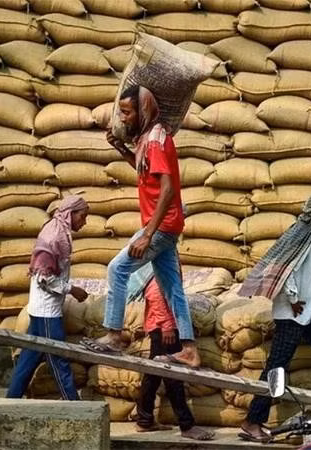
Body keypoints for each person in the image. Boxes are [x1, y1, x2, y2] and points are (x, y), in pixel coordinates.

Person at [82, 84, 200, 368]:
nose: (122, 118)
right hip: (166, 226)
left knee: (117, 268)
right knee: (172, 288)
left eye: (126, 112)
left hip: (161, 226)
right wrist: (121, 148)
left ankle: (114, 334)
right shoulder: (149, 138)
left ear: (142, 110)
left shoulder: (157, 140)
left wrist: (147, 235)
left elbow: (168, 188)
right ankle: (190, 349)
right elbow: (144, 169)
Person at [237, 193, 311, 444]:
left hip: (303, 312)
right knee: (277, 366)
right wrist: (294, 298)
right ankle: (252, 421)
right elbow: (286, 269)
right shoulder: (301, 236)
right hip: (292, 313)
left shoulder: (308, 234)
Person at [7, 195, 90, 400]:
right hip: (46, 312)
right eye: (83, 216)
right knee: (58, 359)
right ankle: (76, 407)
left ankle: (8, 402)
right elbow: (44, 277)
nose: (85, 221)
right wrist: (72, 290)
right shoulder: (54, 236)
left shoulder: (60, 232)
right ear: (71, 214)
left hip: (41, 308)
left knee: (28, 359)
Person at [134, 274, 215, 441]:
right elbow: (155, 293)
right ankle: (187, 425)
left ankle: (144, 420)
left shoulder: (161, 256)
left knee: (153, 374)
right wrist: (167, 326)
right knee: (173, 375)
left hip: (159, 326)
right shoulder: (159, 257)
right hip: (164, 328)